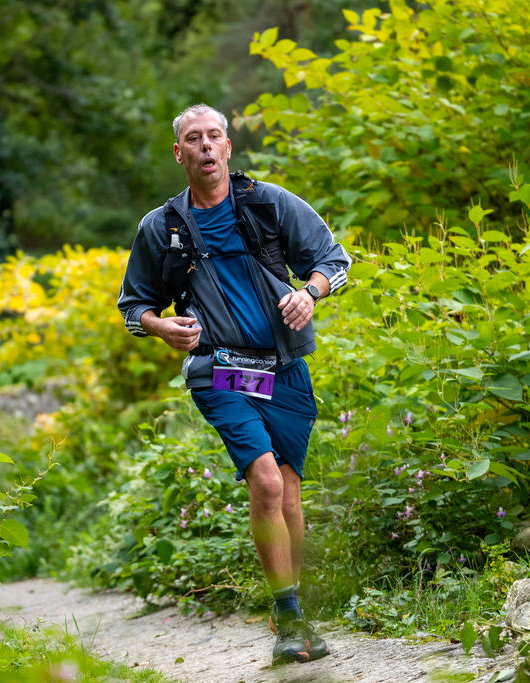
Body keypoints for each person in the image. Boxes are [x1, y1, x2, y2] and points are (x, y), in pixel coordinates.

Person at [117, 103, 351, 665]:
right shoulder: (161, 227)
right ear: (180, 153)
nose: (205, 145)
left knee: (289, 494)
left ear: (227, 147)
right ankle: (289, 617)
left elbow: (334, 260)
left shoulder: (269, 203)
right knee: (266, 484)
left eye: (214, 136)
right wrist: (160, 326)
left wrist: (309, 293)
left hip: (284, 368)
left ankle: (293, 609)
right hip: (220, 369)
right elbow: (134, 306)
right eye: (194, 138)